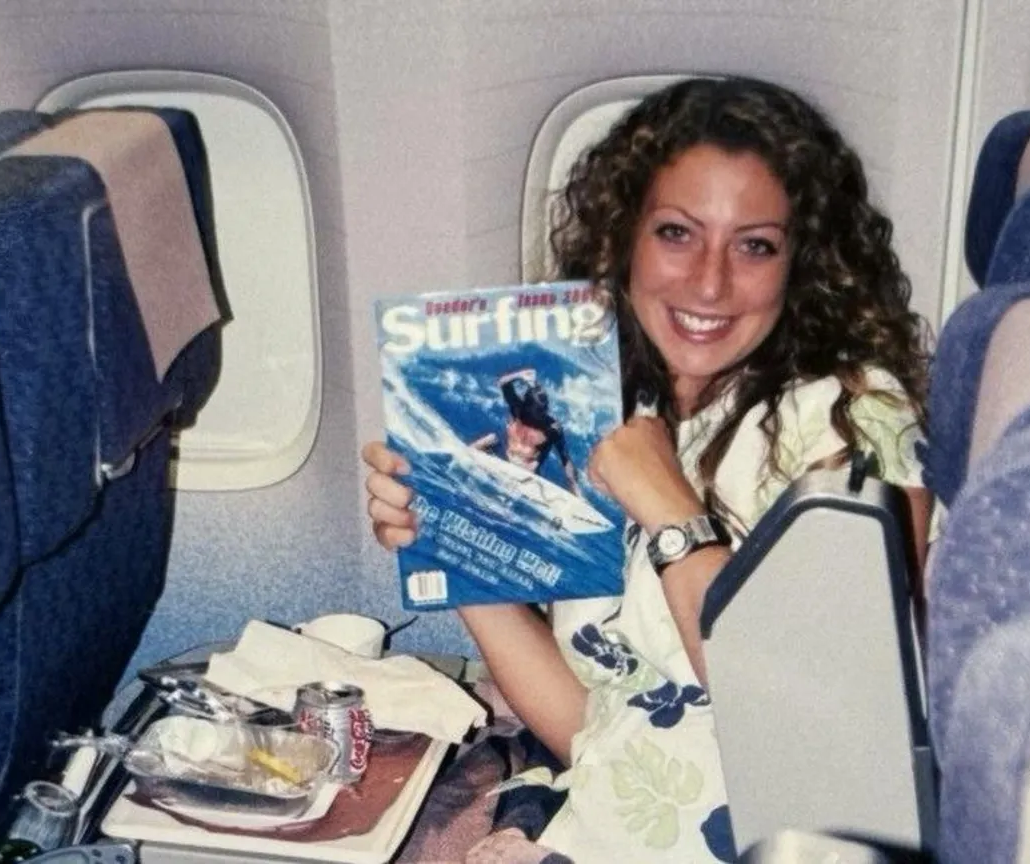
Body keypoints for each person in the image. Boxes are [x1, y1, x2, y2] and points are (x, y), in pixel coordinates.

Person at [363, 76, 933, 863]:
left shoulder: (854, 418)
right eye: (676, 233)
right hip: (601, 833)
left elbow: (818, 743)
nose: (709, 281)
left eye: (755, 245)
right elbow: (600, 729)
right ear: (624, 239)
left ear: (800, 264)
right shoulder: (600, 410)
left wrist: (670, 512)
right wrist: (455, 550)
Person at [471, 368, 583, 496]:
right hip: (503, 461)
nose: (543, 414)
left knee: (531, 466)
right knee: (491, 439)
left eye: (544, 410)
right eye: (538, 410)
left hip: (526, 476)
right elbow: (503, 383)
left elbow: (566, 460)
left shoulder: (552, 429)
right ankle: (464, 455)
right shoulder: (516, 409)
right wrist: (520, 375)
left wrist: (575, 488)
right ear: (527, 405)